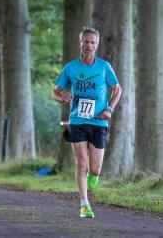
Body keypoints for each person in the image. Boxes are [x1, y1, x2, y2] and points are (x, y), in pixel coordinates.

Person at [52, 27, 122, 218]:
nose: (89, 45)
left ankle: (93, 175)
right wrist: (62, 97)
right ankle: (84, 205)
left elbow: (117, 89)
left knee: (95, 168)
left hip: (99, 122)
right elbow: (55, 91)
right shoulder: (70, 68)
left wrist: (109, 109)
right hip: (77, 120)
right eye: (86, 41)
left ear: (97, 45)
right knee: (81, 162)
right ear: (80, 43)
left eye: (92, 42)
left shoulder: (104, 67)